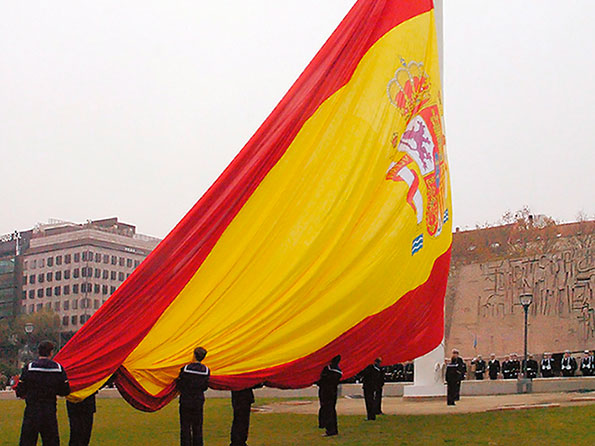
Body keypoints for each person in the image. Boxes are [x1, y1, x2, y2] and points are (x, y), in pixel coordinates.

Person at [16, 340, 71, 446]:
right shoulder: (58, 368)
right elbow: (65, 391)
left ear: (38, 352)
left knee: (27, 441)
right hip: (49, 410)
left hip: (32, 410)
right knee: (51, 441)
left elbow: (20, 390)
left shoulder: (29, 368)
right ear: (51, 352)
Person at [177, 346, 210, 446]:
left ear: (194, 355)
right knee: (197, 426)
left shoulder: (185, 368)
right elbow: (205, 386)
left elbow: (180, 383)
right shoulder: (206, 370)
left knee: (185, 426)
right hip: (198, 400)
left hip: (186, 399)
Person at [317, 355, 342, 437]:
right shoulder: (338, 371)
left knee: (327, 409)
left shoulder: (328, 369)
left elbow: (322, 380)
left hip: (326, 391)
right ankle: (331, 428)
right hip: (333, 391)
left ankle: (329, 429)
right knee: (331, 409)